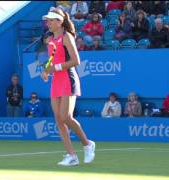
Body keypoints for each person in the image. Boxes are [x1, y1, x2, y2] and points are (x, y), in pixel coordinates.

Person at [41, 7, 95, 166]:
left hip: (68, 79)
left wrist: (55, 68)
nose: (48, 23)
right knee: (58, 119)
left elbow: (76, 61)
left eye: (51, 20)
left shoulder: (67, 37)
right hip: (55, 81)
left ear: (60, 21)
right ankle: (71, 155)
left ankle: (87, 144)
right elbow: (51, 60)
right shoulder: (50, 39)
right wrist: (46, 71)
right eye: (47, 20)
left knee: (66, 116)